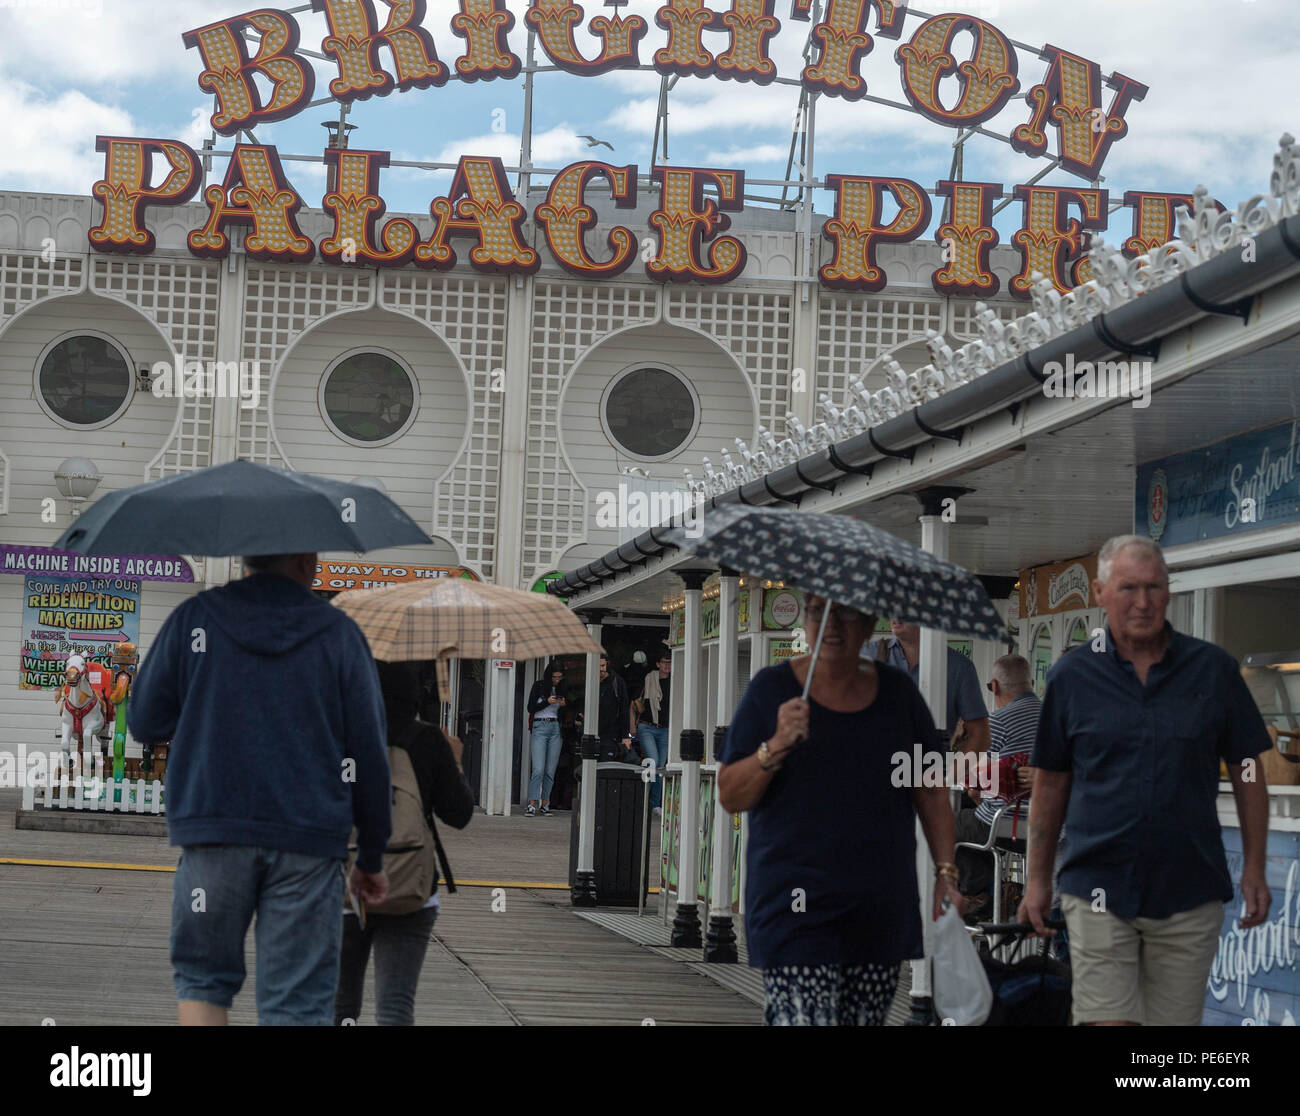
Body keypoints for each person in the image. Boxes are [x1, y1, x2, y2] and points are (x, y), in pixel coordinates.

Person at [128, 552, 392, 1026]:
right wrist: (370, 856)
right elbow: (369, 754)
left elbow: (145, 721)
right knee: (297, 1002)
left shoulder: (195, 618)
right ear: (306, 561)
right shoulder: (339, 634)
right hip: (308, 843)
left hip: (213, 832)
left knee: (203, 981)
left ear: (246, 557)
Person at [1019, 535, 1273, 1026]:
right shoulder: (1072, 677)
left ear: (1169, 592)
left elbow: (1247, 769)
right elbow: (1050, 782)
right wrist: (1036, 881)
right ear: (1100, 592)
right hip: (1096, 885)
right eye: (1128, 587)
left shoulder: (1213, 669)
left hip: (1188, 888)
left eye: (1154, 587)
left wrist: (1255, 867)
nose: (1142, 602)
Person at [718, 595, 962, 1026]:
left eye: (847, 613)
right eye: (817, 611)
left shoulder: (898, 695)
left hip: (877, 906)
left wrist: (946, 872)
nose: (831, 624)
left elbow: (930, 789)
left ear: (870, 626)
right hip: (794, 906)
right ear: (806, 622)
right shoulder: (771, 690)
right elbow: (730, 795)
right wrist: (774, 746)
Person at [336, 660, 473, 1026]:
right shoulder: (428, 740)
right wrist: (454, 761)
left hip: (343, 886)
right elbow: (458, 815)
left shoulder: (337, 735)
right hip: (411, 888)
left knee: (338, 1006)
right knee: (395, 1008)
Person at [954, 654, 1039, 918]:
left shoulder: (998, 722)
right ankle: (1000, 891)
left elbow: (975, 778)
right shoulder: (1055, 718)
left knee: (948, 823)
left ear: (995, 686)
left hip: (1007, 825)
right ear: (1032, 683)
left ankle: (979, 895)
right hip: (1046, 826)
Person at [864, 620, 990, 753]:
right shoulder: (868, 654)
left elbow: (980, 735)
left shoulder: (959, 667)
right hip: (874, 767)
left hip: (930, 766)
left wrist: (952, 772)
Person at [525, 661, 568, 816]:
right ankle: (532, 803)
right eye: (555, 677)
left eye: (560, 677)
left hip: (556, 727)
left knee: (550, 769)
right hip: (540, 726)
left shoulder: (563, 688)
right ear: (549, 675)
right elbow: (530, 707)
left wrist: (563, 705)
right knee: (538, 768)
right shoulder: (539, 686)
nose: (557, 680)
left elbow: (566, 713)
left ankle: (545, 803)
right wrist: (546, 702)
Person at [576, 655, 633, 761]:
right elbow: (580, 702)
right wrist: (579, 717)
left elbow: (624, 709)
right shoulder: (588, 681)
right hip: (590, 732)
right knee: (588, 766)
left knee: (605, 767)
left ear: (607, 664)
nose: (601, 669)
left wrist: (625, 736)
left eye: (603, 665)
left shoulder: (617, 682)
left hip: (610, 733)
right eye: (597, 666)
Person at [636, 649, 672, 813]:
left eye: (670, 662)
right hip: (647, 726)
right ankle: (648, 802)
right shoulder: (649, 678)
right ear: (658, 664)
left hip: (665, 728)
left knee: (660, 767)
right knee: (653, 762)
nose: (667, 665)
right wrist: (631, 727)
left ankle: (655, 804)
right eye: (664, 662)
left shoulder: (676, 680)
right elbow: (634, 702)